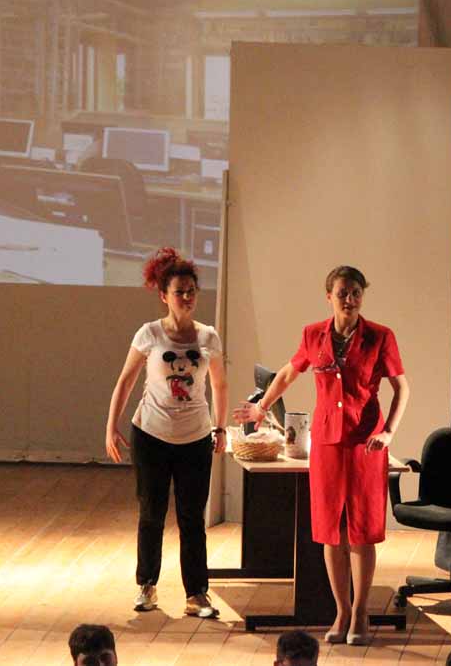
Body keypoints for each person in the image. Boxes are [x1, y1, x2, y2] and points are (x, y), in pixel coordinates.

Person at [233, 265, 410, 646]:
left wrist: (388, 432)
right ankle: (341, 610)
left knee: (362, 530)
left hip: (365, 442)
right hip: (327, 442)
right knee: (332, 530)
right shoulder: (313, 334)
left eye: (356, 292)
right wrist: (262, 407)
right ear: (329, 296)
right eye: (343, 292)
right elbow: (287, 373)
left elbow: (402, 388)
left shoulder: (380, 336)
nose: (350, 299)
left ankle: (361, 611)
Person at [105, 247, 228, 618]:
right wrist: (111, 425)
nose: (186, 297)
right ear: (164, 295)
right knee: (152, 513)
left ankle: (197, 594)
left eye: (191, 291)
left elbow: (220, 385)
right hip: (151, 436)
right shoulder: (150, 333)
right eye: (179, 292)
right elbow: (126, 380)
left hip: (195, 438)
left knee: (192, 518)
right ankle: (147, 585)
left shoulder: (208, 337)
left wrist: (220, 427)